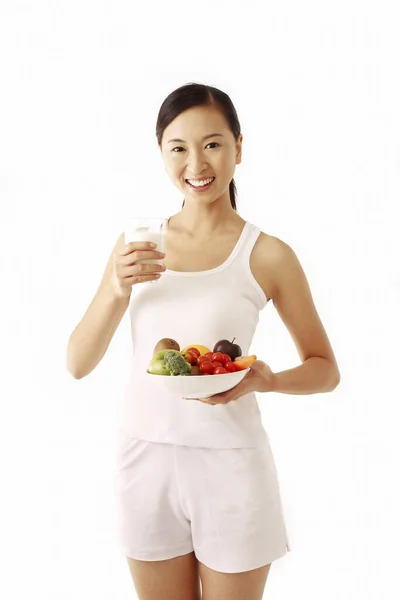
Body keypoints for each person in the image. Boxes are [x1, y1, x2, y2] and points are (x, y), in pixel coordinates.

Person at [67, 82, 341, 600]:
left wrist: (270, 380)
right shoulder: (136, 247)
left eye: (213, 143)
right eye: (179, 147)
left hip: (231, 463)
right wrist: (113, 289)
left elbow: (326, 368)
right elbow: (77, 364)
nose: (197, 162)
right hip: (144, 458)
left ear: (239, 146)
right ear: (162, 153)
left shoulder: (267, 254)